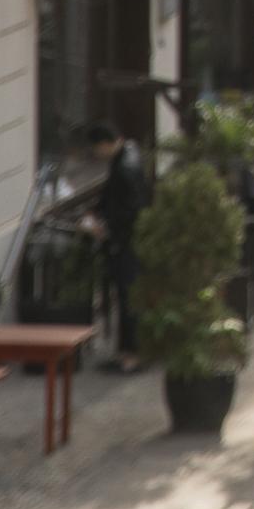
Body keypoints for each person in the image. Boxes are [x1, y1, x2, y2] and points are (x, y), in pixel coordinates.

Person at [84, 122, 151, 365]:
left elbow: (130, 208)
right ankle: (128, 349)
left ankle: (131, 352)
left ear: (103, 145)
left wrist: (106, 228)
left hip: (126, 242)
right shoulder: (128, 155)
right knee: (126, 297)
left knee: (127, 296)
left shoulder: (125, 166)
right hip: (128, 240)